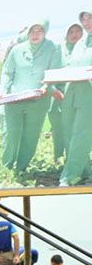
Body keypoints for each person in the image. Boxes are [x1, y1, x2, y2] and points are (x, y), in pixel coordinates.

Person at [0, 21, 63, 177]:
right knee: (12, 134)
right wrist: (3, 89)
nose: (35, 34)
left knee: (31, 135)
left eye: (39, 31)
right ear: (27, 32)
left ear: (45, 32)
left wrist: (47, 86)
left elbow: (53, 72)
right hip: (14, 99)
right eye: (32, 31)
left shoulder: (53, 48)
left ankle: (21, 167)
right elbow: (7, 72)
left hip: (39, 99)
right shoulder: (17, 50)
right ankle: (7, 167)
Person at [59, 13, 92, 187]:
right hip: (72, 95)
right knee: (70, 133)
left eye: (90, 18)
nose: (86, 23)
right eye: (83, 20)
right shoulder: (80, 43)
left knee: (81, 135)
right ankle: (86, 171)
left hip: (89, 97)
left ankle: (69, 176)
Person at [50, 24, 85, 164]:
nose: (74, 34)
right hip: (59, 97)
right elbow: (49, 73)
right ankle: (58, 157)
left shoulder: (86, 51)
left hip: (80, 98)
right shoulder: (58, 51)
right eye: (71, 31)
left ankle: (75, 159)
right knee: (58, 129)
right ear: (66, 34)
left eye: (78, 31)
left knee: (77, 130)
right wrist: (54, 91)